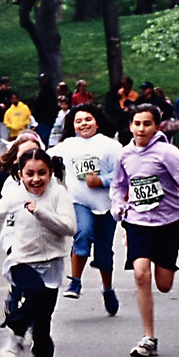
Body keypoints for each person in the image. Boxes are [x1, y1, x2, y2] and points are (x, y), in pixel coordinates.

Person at [110, 104, 179, 357]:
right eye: (137, 123)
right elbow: (118, 185)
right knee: (141, 274)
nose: (141, 128)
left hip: (168, 222)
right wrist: (118, 206)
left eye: (147, 124)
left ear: (157, 126)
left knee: (163, 284)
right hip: (137, 222)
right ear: (130, 125)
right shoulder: (125, 154)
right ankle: (148, 337)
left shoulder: (166, 153)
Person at [0, 146, 75, 357]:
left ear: (51, 172)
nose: (36, 179)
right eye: (30, 174)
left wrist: (42, 213)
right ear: (20, 175)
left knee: (43, 326)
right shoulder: (14, 196)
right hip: (22, 259)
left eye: (42, 173)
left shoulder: (59, 194)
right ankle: (15, 333)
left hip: (52, 263)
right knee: (33, 291)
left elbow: (69, 228)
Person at [50, 104, 122, 315]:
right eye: (78, 121)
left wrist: (101, 180)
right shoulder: (68, 145)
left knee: (104, 253)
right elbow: (43, 156)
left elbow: (122, 175)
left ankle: (107, 288)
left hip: (106, 206)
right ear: (72, 125)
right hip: (79, 202)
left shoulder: (110, 146)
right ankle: (75, 281)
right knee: (83, 233)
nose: (84, 124)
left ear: (97, 122)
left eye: (88, 119)